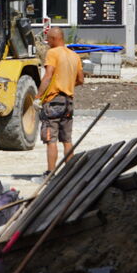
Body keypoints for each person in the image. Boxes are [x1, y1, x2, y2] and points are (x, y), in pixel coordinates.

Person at [35, 27, 84, 179]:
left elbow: (48, 76)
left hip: (53, 101)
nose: (47, 42)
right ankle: (70, 173)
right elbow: (81, 80)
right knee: (67, 139)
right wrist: (67, 85)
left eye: (48, 39)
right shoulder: (74, 55)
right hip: (68, 101)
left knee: (51, 139)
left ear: (55, 38)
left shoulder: (53, 53)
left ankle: (50, 174)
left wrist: (38, 97)